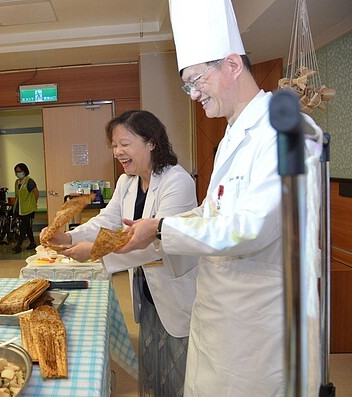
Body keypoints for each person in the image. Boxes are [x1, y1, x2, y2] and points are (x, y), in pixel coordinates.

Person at [117, 0, 323, 395]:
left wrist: (161, 226)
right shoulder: (233, 133)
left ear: (231, 65)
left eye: (196, 80)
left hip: (260, 328)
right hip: (217, 317)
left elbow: (251, 228)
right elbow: (214, 212)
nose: (193, 94)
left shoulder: (284, 130)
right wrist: (162, 229)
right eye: (187, 85)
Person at [44, 110, 198, 396]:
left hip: (175, 289)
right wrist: (68, 236)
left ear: (151, 141)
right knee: (153, 367)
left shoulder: (177, 182)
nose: (117, 151)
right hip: (147, 292)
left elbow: (160, 243)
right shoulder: (128, 182)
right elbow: (107, 220)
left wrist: (95, 252)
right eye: (114, 145)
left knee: (180, 372)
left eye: (124, 144)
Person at [12, 163, 38, 253]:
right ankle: (33, 242)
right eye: (16, 172)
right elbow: (17, 196)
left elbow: (36, 193)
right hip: (20, 208)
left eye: (20, 171)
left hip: (28, 208)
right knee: (26, 226)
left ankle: (19, 245)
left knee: (23, 226)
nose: (18, 173)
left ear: (25, 171)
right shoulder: (17, 182)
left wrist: (34, 203)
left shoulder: (29, 181)